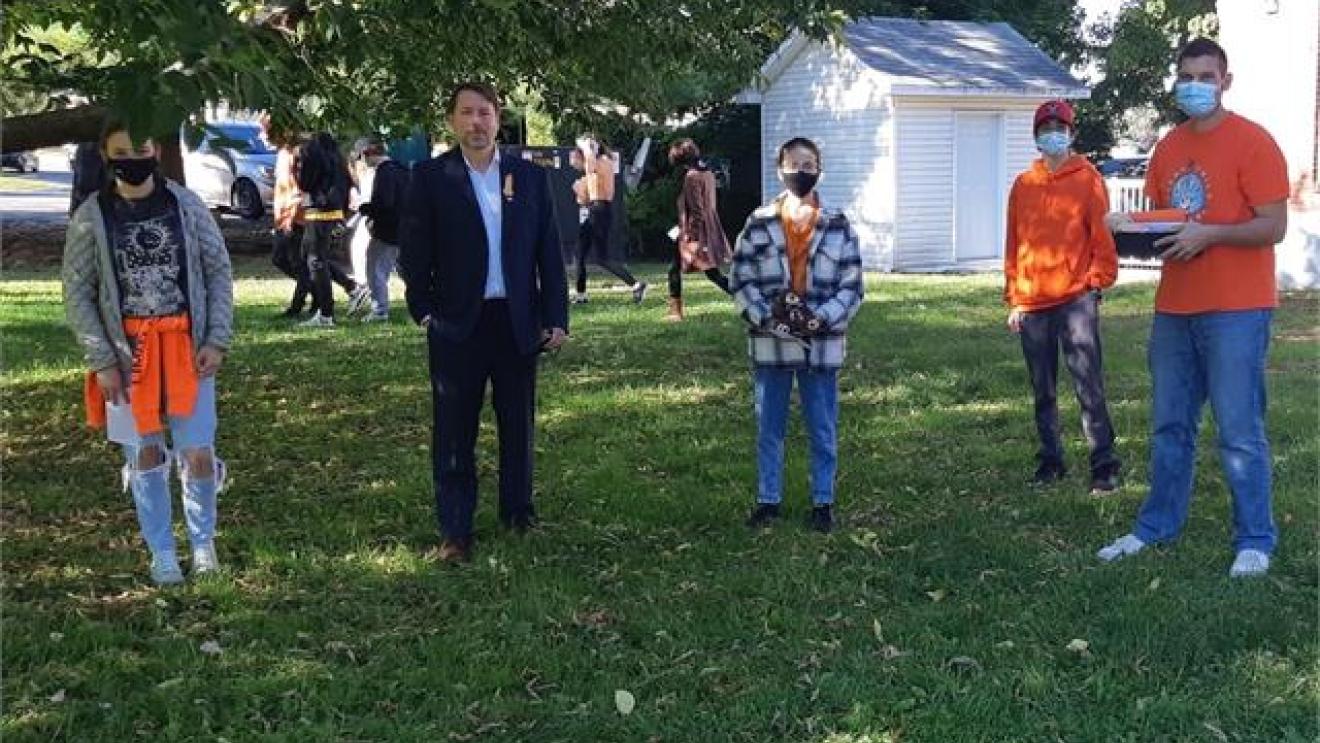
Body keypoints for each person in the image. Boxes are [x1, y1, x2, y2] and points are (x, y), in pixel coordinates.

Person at [1097, 38, 1289, 577]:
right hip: (1175, 308)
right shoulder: (1168, 146)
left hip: (1237, 308)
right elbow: (1163, 221)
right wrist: (1124, 226)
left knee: (1239, 430)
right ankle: (1157, 526)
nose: (1196, 85)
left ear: (1226, 80)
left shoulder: (1253, 142)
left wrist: (1211, 235)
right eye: (1187, 76)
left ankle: (1255, 538)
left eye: (1207, 76)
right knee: (1169, 426)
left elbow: (1273, 226)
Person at [400, 82, 569, 562]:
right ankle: (456, 529)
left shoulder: (528, 178)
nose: (477, 122)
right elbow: (415, 251)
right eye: (467, 113)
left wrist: (555, 315)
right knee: (454, 428)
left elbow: (548, 253)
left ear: (499, 119)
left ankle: (518, 513)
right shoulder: (432, 177)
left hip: (516, 320)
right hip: (456, 323)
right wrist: (425, 308)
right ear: (452, 121)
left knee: (518, 424)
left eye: (485, 113)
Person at [61, 116, 234, 585]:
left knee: (197, 451)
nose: (133, 162)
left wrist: (216, 338)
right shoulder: (91, 217)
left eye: (141, 152)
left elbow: (217, 271)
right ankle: (161, 552)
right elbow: (77, 292)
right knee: (145, 454)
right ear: (105, 157)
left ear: (156, 153)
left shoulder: (187, 205)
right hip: (127, 355)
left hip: (186, 349)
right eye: (122, 154)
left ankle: (202, 545)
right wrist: (101, 360)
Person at [730, 137, 864, 533]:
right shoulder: (758, 223)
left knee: (822, 426)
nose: (800, 171)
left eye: (809, 164)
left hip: (821, 343)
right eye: (793, 164)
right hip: (771, 341)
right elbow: (741, 279)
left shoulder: (838, 224)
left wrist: (821, 318)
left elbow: (853, 286)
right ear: (779, 169)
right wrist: (765, 315)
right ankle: (767, 499)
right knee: (768, 426)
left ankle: (823, 501)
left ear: (819, 169)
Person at [1003, 99, 1121, 493]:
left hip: (1075, 300)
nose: (1052, 134)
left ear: (1071, 134)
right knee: (1043, 388)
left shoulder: (1087, 179)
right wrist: (1015, 296)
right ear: (1036, 136)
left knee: (1088, 383)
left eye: (1060, 127)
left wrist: (1097, 280)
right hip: (1033, 302)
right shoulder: (1023, 185)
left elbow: (1101, 235)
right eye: (1045, 128)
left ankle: (1104, 464)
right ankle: (1050, 460)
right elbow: (1014, 243)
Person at [295, 132, 370, 327]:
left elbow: (304, 182)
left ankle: (326, 314)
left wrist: (299, 166)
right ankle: (351, 287)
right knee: (313, 258)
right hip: (334, 213)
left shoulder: (311, 155)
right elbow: (347, 187)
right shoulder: (338, 160)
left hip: (318, 213)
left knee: (315, 261)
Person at [569, 138, 647, 305]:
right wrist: (580, 190)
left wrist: (586, 147)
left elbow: (590, 166)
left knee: (600, 258)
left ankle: (636, 284)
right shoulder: (597, 167)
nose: (574, 162)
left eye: (577, 157)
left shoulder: (602, 162)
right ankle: (581, 294)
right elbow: (584, 197)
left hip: (599, 211)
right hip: (596, 209)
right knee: (580, 254)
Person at [667, 138, 732, 321]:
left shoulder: (692, 177)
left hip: (695, 230)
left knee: (682, 269)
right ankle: (742, 294)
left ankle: (675, 312)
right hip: (707, 226)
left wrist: (691, 236)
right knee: (710, 273)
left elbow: (697, 209)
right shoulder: (708, 173)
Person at [354, 137, 409, 321]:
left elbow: (384, 203)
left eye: (362, 156)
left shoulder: (385, 172)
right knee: (407, 270)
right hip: (406, 229)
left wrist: (365, 209)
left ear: (369, 153)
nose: (363, 161)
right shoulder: (401, 169)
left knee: (375, 268)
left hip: (387, 231)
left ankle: (379, 309)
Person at [269, 127, 316, 317]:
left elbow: (298, 190)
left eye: (265, 131)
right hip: (284, 217)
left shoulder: (293, 155)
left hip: (294, 218)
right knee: (282, 260)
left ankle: (300, 305)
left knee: (297, 263)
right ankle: (318, 295)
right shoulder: (282, 154)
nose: (261, 136)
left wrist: (290, 217)